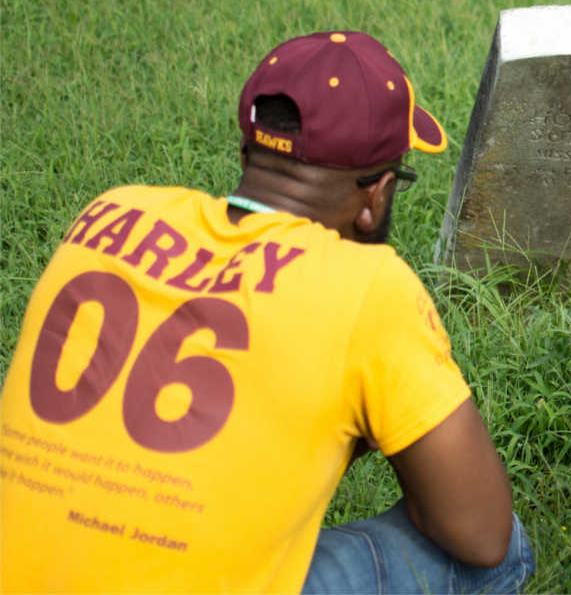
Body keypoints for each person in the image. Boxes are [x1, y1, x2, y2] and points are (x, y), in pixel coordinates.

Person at [0, 31, 535, 593]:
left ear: (245, 154)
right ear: (375, 197)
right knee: (503, 554)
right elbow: (481, 533)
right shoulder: (368, 290)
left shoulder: (110, 213)